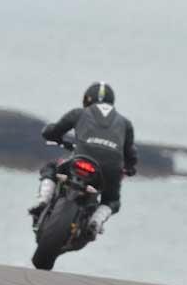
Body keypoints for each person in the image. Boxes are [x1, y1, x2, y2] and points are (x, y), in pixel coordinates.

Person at [28, 82, 138, 236]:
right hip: (110, 169)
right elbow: (131, 153)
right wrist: (131, 167)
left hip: (81, 159)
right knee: (111, 200)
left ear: (87, 99)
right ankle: (96, 221)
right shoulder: (125, 123)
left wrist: (51, 135)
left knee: (51, 168)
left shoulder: (79, 113)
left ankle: (43, 201)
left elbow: (54, 130)